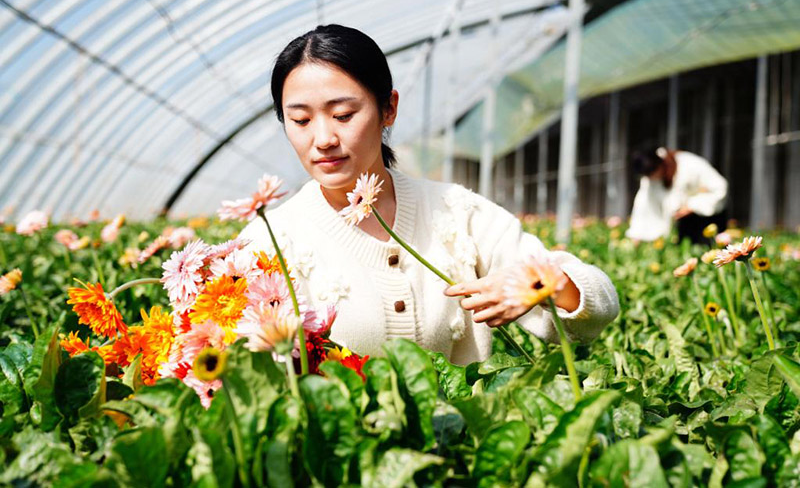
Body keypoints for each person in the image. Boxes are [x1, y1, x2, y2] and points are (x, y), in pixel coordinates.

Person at [239, 24, 619, 365]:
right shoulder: (268, 241)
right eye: (301, 120)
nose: (323, 139)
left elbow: (596, 302)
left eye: (343, 115)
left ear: (388, 108)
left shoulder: (456, 213)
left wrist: (544, 286)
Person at [626, 147, 728, 244]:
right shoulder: (649, 177)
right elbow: (643, 205)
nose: (652, 178)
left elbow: (720, 188)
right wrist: (637, 232)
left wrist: (691, 206)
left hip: (707, 219)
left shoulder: (690, 163)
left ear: (659, 164)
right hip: (682, 224)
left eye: (652, 173)